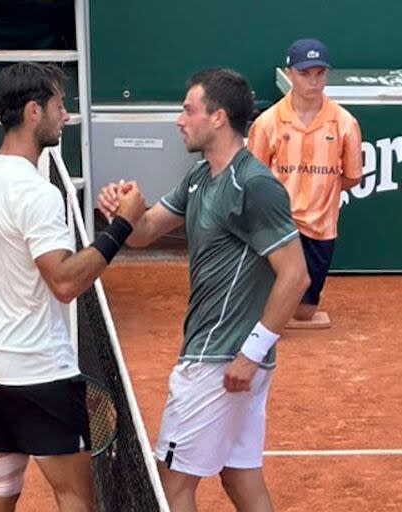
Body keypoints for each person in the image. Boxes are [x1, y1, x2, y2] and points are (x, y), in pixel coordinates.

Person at [98, 69, 310, 512]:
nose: (180, 120)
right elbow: (146, 231)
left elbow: (295, 276)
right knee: (240, 478)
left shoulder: (254, 185)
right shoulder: (199, 178)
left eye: (188, 110)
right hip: (229, 361)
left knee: (171, 489)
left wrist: (251, 353)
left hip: (220, 363)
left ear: (218, 118)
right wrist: (124, 215)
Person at [0, 62, 146, 512]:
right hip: (40, 374)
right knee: (75, 496)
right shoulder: (38, 194)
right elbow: (63, 281)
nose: (67, 116)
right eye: (61, 105)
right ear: (35, 111)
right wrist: (121, 227)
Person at [247, 38, 363, 322]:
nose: (313, 81)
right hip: (278, 227)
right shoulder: (268, 123)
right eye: (304, 73)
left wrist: (318, 193)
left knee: (303, 313)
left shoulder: (345, 123)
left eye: (319, 73)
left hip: (321, 228)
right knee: (271, 308)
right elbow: (254, 180)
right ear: (289, 74)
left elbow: (350, 177)